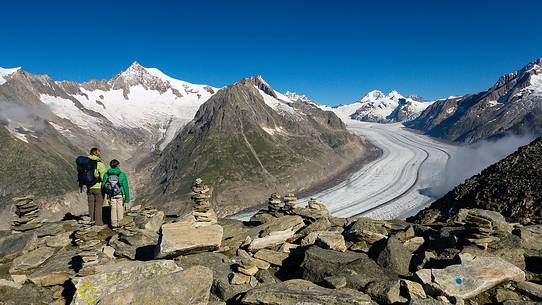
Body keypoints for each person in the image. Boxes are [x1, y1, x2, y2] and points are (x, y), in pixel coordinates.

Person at [102, 159, 130, 228]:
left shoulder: (106, 174)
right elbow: (125, 186)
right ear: (117, 165)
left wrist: (104, 193)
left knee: (113, 208)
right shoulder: (121, 174)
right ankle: (120, 224)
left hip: (111, 194)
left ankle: (114, 224)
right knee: (120, 208)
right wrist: (127, 198)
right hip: (120, 194)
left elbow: (103, 185)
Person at [87, 148, 106, 225]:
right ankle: (98, 223)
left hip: (89, 188)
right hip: (98, 187)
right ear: (97, 153)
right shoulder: (99, 163)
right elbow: (103, 177)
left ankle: (91, 221)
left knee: (91, 206)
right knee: (98, 206)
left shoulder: (86, 163)